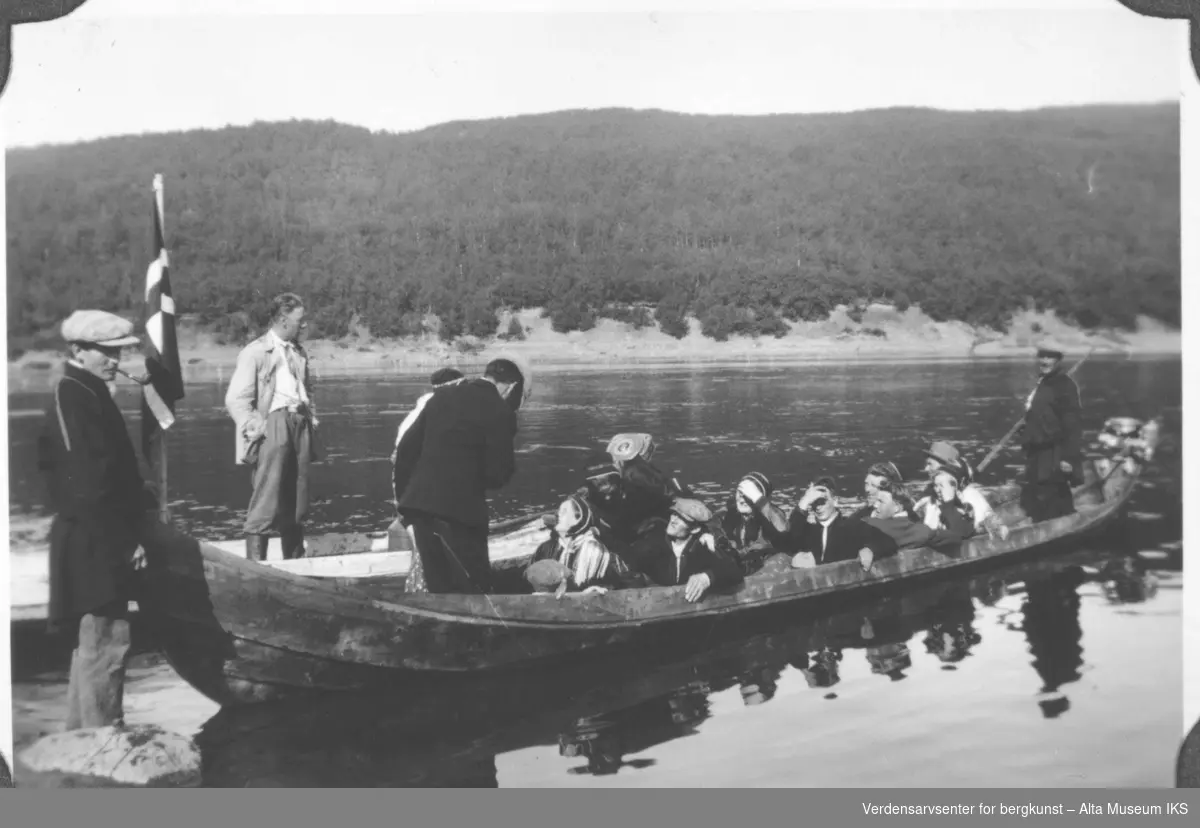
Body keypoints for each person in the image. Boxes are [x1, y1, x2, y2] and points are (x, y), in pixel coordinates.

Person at [36, 310, 157, 731]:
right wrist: (123, 542)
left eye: (118, 351)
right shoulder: (73, 394)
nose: (114, 360)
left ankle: (81, 740)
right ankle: (102, 742)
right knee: (107, 642)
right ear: (77, 351)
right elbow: (87, 485)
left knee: (96, 644)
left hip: (98, 535)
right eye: (105, 351)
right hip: (94, 541)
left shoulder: (87, 391)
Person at [393, 357, 528, 594]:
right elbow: (498, 475)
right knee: (473, 587)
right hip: (461, 514)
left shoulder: (442, 397)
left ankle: (439, 628)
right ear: (511, 386)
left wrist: (405, 501)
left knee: (438, 587)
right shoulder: (500, 411)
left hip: (420, 508)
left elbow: (405, 450)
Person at [225, 292, 320, 562]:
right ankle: (255, 566)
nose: (303, 326)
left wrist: (311, 417)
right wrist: (256, 426)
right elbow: (236, 399)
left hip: (299, 423)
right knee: (267, 494)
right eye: (299, 320)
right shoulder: (255, 352)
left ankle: (295, 562)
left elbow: (306, 390)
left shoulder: (299, 352)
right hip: (274, 423)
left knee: (298, 495)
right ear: (282, 319)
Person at [390, 367, 466, 595]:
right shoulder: (437, 412)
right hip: (420, 492)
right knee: (429, 548)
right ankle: (424, 591)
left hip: (413, 491)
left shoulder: (426, 409)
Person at [524, 495, 645, 596]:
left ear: (579, 520)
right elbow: (525, 582)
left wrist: (603, 594)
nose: (557, 515)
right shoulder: (545, 548)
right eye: (559, 512)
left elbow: (634, 588)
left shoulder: (603, 555)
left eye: (564, 512)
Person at [630, 498, 744, 603]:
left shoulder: (702, 546)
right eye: (674, 514)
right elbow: (630, 567)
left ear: (695, 529)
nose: (673, 520)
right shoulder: (653, 544)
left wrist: (707, 577)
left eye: (681, 518)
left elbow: (734, 571)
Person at [1018, 340, 1084, 522]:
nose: (1045, 361)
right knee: (1041, 490)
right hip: (1037, 450)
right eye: (1042, 356)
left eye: (1050, 357)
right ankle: (1057, 522)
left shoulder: (1065, 386)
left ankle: (1061, 524)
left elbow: (1073, 424)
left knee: (1051, 490)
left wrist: (1068, 458)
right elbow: (1041, 416)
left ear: (1058, 360)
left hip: (1054, 451)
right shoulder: (1044, 383)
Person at [785, 478, 899, 571]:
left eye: (822, 501)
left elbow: (888, 542)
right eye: (814, 503)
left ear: (835, 501)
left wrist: (870, 549)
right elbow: (789, 541)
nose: (818, 507)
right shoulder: (807, 531)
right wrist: (803, 502)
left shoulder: (852, 527)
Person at [920, 441, 1009, 540]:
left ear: (946, 466)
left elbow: (966, 533)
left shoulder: (969, 497)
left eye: (930, 464)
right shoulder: (932, 493)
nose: (926, 468)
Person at [716, 472, 791, 570]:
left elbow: (783, 528)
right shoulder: (730, 514)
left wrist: (758, 498)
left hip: (765, 569)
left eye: (748, 495)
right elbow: (709, 521)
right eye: (740, 493)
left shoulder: (770, 517)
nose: (742, 500)